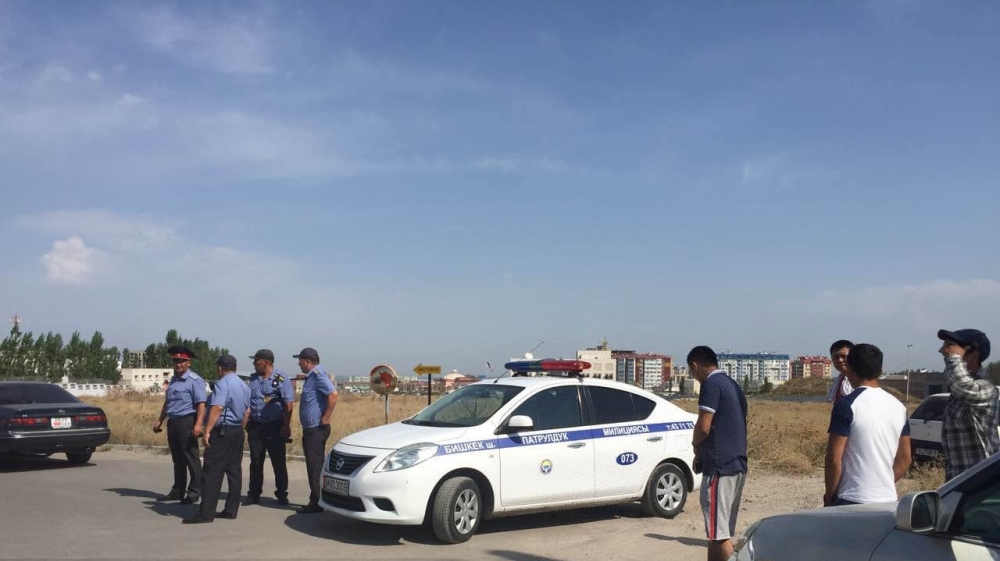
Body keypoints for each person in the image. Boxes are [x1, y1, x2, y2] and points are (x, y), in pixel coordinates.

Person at [824, 343, 911, 506]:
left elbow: (834, 459)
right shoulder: (899, 407)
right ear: (880, 371)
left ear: (849, 369)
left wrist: (830, 494)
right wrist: (882, 485)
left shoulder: (847, 405)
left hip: (851, 497)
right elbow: (905, 458)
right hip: (888, 500)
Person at [688, 345, 748, 561]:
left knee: (720, 536)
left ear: (695, 366)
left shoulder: (711, 384)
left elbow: (704, 425)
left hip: (719, 467)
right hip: (736, 463)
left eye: (692, 372)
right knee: (717, 533)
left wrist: (695, 444)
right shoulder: (732, 384)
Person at [183, 354, 251, 524]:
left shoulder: (223, 384)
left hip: (222, 431)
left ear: (220, 368)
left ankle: (205, 513)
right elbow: (247, 411)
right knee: (234, 470)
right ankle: (230, 510)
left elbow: (218, 407)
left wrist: (207, 431)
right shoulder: (244, 385)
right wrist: (239, 427)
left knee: (211, 472)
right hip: (236, 430)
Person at [938, 328, 999, 481]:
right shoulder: (956, 396)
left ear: (974, 356)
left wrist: (954, 358)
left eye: (950, 347)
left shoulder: (986, 389)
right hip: (960, 486)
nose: (943, 352)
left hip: (982, 489)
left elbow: (963, 386)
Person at [153, 345, 206, 505]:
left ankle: (195, 491)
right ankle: (178, 490)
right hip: (174, 422)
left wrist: (198, 424)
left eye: (182, 361)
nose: (178, 364)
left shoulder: (195, 381)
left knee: (191, 458)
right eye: (176, 361)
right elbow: (168, 402)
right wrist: (160, 419)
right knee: (178, 459)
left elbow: (201, 404)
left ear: (188, 362)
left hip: (187, 422)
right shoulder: (174, 380)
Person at [244, 349, 295, 506]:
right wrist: (246, 422)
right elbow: (248, 403)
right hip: (256, 426)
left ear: (266, 362)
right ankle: (254, 494)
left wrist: (285, 426)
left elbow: (288, 404)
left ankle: (281, 493)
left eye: (256, 361)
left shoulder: (281, 378)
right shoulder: (253, 380)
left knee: (278, 462)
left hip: (274, 426)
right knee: (256, 461)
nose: (253, 364)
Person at [295, 347, 338, 514]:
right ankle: (317, 499)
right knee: (313, 466)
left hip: (316, 430)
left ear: (307, 361)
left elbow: (333, 395)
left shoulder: (318, 376)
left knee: (315, 466)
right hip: (311, 429)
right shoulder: (312, 377)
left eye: (300, 360)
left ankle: (317, 502)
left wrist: (326, 417)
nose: (298, 364)